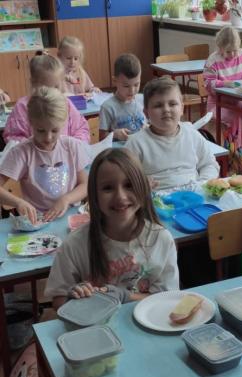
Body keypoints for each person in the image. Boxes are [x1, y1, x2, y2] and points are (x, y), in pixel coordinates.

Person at [44, 148, 180, 310]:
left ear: (143, 187)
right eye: (108, 188)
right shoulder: (75, 244)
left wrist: (125, 296)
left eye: (129, 185)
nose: (120, 196)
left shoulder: (161, 239)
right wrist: (73, 297)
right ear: (94, 195)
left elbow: (168, 299)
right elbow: (59, 302)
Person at [0, 86, 90, 224]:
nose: (48, 138)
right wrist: (18, 202)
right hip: (38, 222)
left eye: (54, 130)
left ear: (63, 123)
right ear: (30, 123)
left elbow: (85, 184)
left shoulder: (71, 146)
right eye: (40, 130)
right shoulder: (22, 152)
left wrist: (66, 199)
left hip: (70, 217)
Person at [125, 76, 219, 190]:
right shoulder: (136, 144)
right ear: (146, 113)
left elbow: (209, 164)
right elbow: (124, 178)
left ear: (182, 108)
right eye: (158, 105)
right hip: (155, 198)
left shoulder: (192, 135)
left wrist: (202, 184)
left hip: (193, 195)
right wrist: (140, 184)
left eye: (172, 104)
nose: (166, 109)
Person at [3, 51, 89, 143]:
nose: (51, 92)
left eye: (56, 87)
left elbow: (81, 128)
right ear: (33, 83)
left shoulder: (66, 103)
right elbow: (13, 136)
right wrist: (30, 147)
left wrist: (73, 145)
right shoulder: (22, 106)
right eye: (46, 87)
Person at [203, 25, 242, 132]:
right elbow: (208, 84)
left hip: (239, 101)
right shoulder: (213, 61)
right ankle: (235, 141)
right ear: (220, 48)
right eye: (228, 51)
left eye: (235, 50)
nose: (232, 54)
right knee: (236, 119)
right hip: (218, 104)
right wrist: (225, 83)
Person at [99, 53, 145, 141]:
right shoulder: (107, 107)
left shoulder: (143, 99)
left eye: (136, 84)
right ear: (115, 81)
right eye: (126, 86)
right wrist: (114, 134)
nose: (132, 91)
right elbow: (101, 137)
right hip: (120, 149)